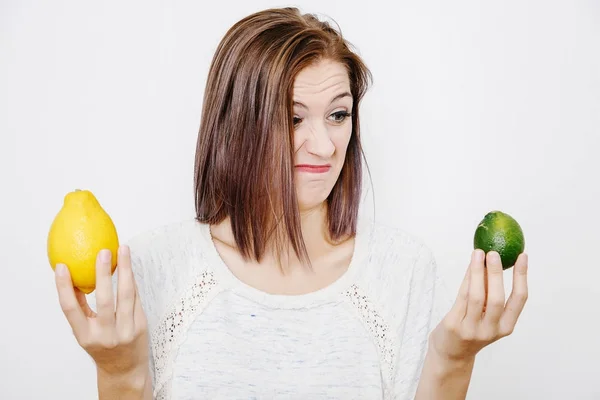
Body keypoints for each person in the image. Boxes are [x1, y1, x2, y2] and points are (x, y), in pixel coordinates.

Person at [53, 7, 529, 400]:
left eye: (338, 115)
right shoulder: (155, 268)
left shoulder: (401, 270)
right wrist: (118, 374)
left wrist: (452, 359)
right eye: (292, 118)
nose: (323, 146)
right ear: (235, 125)